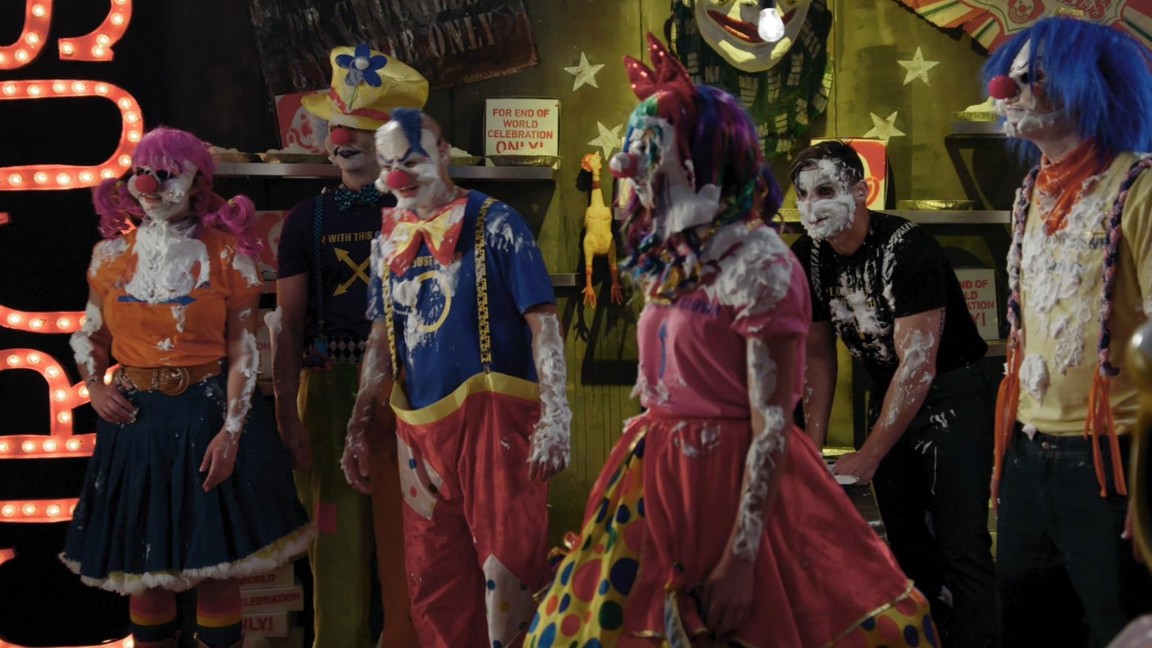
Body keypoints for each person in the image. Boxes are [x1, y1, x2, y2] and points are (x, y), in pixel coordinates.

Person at [526, 34, 933, 648]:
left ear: (704, 162)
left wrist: (743, 557)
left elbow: (773, 422)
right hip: (656, 477)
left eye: (647, 152)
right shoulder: (672, 256)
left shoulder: (762, 263)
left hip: (737, 480)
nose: (624, 167)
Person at [60, 126, 313, 648]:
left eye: (166, 174)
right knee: (145, 572)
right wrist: (94, 387)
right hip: (135, 424)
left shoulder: (229, 255)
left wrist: (233, 431)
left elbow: (244, 349)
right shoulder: (110, 256)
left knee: (215, 567)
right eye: (141, 173)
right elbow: (90, 336)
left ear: (197, 183)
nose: (149, 186)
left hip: (207, 417)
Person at [342, 106, 572, 647]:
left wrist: (556, 414)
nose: (398, 176)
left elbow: (544, 324)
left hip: (498, 430)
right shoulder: (387, 240)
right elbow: (380, 339)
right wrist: (359, 421)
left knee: (509, 574)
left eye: (412, 160)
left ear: (444, 155)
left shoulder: (498, 224)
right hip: (420, 434)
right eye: (388, 165)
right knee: (433, 579)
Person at [983, 16, 1152, 647]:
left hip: (1112, 463)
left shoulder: (1140, 187)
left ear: (1088, 86)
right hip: (1027, 455)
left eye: (1032, 77)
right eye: (1010, 75)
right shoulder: (1030, 191)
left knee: (1121, 630)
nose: (1004, 89)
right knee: (1027, 629)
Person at [789, 139, 997, 647]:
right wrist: (812, 448)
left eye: (825, 191)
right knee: (905, 541)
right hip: (887, 388)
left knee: (961, 542)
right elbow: (818, 356)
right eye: (803, 194)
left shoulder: (907, 247)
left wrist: (868, 455)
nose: (812, 206)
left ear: (861, 191)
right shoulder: (808, 257)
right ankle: (927, 635)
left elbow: (920, 363)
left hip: (954, 390)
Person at [270, 44, 427, 648]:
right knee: (335, 545)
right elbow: (288, 323)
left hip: (411, 393)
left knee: (414, 541)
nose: (342, 136)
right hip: (331, 392)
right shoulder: (304, 220)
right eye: (338, 123)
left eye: (358, 125)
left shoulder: (420, 213)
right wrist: (287, 411)